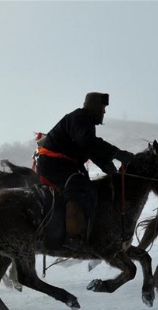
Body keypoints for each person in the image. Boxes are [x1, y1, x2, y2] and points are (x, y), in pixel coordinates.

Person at [35, 92, 134, 249]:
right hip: (54, 164)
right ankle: (72, 237)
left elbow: (88, 148)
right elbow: (88, 142)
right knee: (80, 187)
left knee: (90, 187)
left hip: (64, 164)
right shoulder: (79, 118)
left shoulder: (85, 121)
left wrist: (106, 165)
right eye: (103, 108)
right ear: (95, 107)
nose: (104, 112)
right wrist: (117, 153)